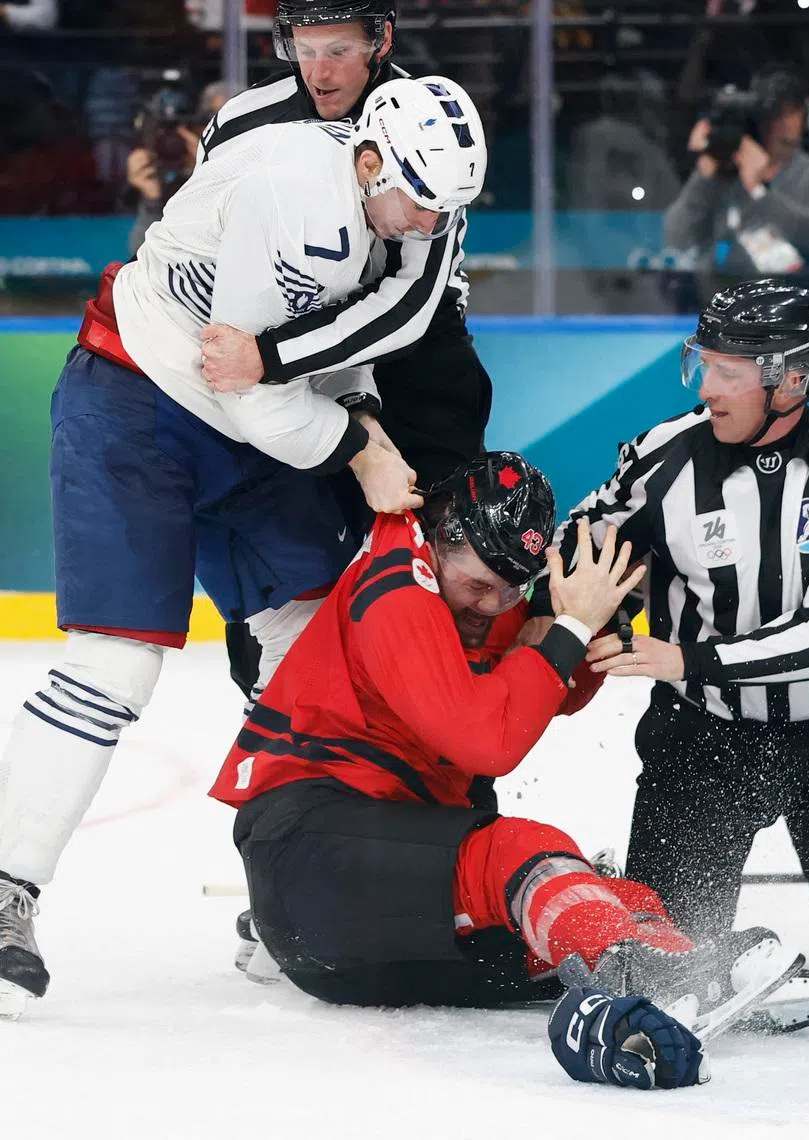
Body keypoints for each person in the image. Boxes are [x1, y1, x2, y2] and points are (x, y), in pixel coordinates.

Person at [0, 76, 486, 1017]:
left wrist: (366, 425)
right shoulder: (294, 193)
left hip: (246, 422)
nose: (429, 224)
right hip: (138, 403)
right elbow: (242, 379)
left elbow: (325, 354)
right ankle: (5, 883)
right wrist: (358, 450)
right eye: (420, 198)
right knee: (116, 666)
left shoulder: (381, 206)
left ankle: (295, 899)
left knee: (313, 654)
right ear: (373, 155)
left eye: (445, 208)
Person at [206, 451, 809, 1088]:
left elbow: (542, 690)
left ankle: (683, 964)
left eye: (512, 590)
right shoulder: (399, 581)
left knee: (585, 895)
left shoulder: (481, 581)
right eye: (479, 586)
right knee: (523, 849)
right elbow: (487, 741)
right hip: (310, 858)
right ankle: (637, 966)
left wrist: (596, 629)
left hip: (371, 926)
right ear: (441, 537)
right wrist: (565, 631)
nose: (493, 606)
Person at [533, 279, 809, 999]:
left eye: (729, 371)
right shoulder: (663, 457)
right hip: (704, 741)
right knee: (671, 953)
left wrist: (690, 658)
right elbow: (577, 545)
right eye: (702, 363)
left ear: (793, 380)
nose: (706, 387)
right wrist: (607, 605)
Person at [193, 0, 502, 697]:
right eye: (304, 50)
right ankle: (277, 719)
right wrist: (256, 361)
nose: (319, 70)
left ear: (381, 40)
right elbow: (203, 248)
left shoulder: (429, 124)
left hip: (410, 357)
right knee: (282, 551)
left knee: (439, 547)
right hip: (276, 332)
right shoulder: (244, 122)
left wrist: (270, 359)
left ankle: (444, 746)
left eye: (337, 49)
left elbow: (410, 304)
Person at [664, 69, 809, 284]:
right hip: (721, 302)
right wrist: (705, 172)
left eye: (790, 112)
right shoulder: (723, 173)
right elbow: (677, 237)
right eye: (774, 115)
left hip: (791, 303)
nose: (781, 124)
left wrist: (758, 190)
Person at [127, 79, 246, 257]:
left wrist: (208, 170)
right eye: (211, 123)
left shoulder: (255, 179)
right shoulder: (172, 187)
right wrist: (152, 200)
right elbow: (144, 260)